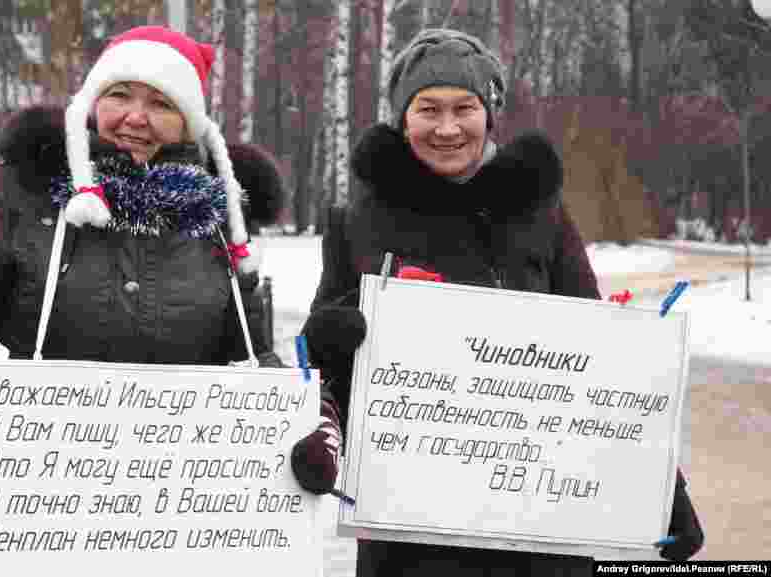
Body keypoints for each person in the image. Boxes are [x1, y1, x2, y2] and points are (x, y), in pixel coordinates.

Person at [298, 28, 704, 575]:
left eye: (464, 108)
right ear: (403, 118)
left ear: (489, 116)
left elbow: (603, 365)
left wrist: (662, 485)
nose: (447, 128)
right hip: (411, 533)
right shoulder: (358, 223)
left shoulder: (539, 211)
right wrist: (330, 342)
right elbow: (316, 370)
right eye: (428, 109)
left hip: (541, 528)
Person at [0, 25, 338, 500]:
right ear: (93, 101)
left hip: (173, 496)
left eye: (162, 104)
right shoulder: (27, 193)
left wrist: (316, 420)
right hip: (37, 489)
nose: (136, 118)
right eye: (120, 95)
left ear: (188, 123)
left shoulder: (217, 218)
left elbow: (251, 360)